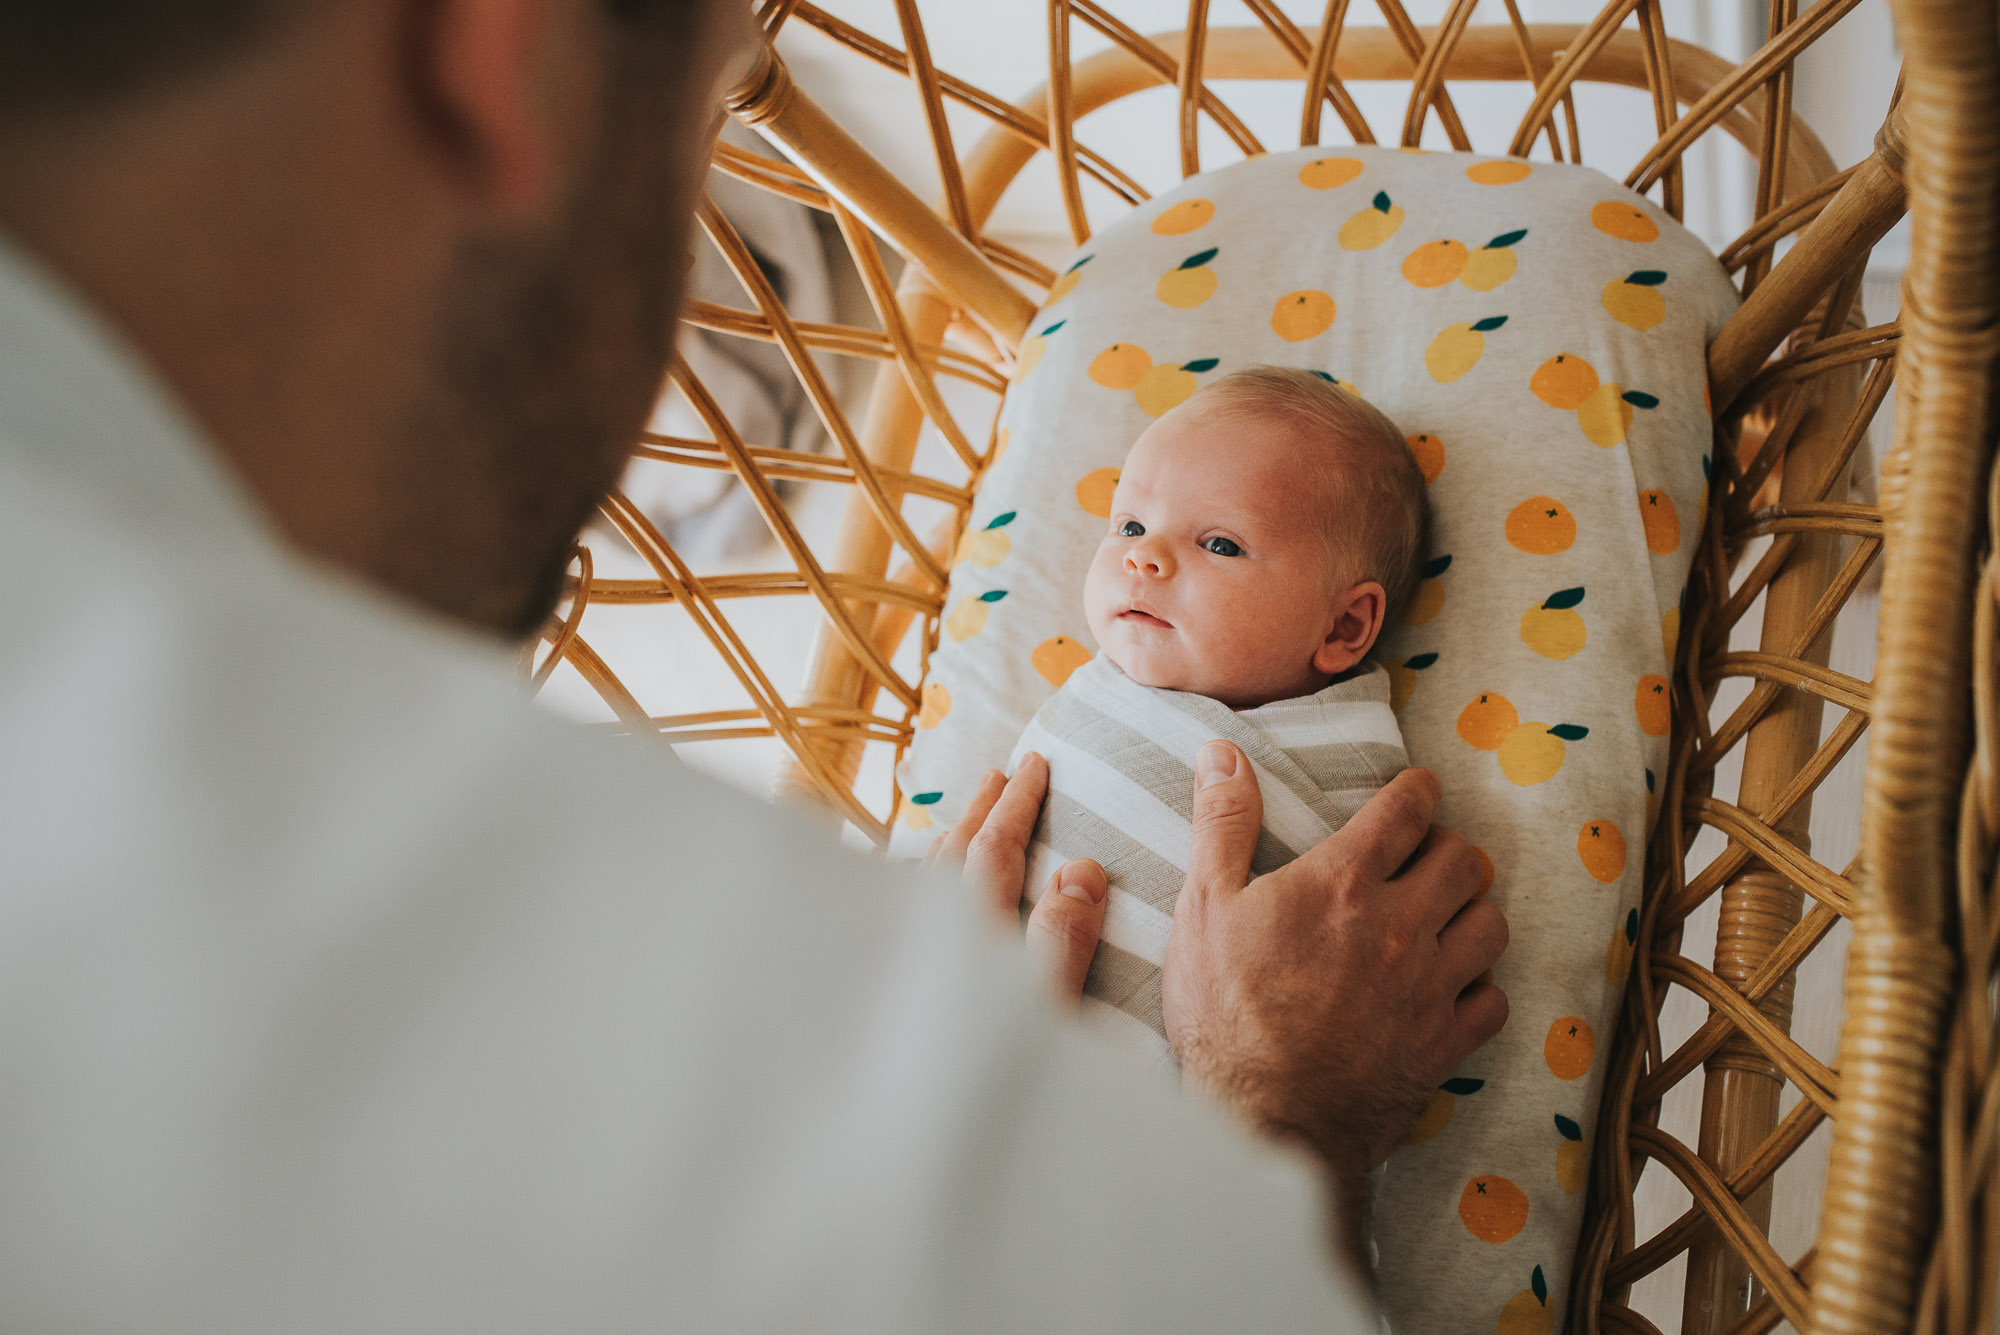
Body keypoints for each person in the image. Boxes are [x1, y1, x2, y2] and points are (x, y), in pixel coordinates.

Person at [0, 2, 1508, 1330]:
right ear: (494, 48)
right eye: (696, 130)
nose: (1145, 556)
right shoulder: (746, 1035)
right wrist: (1287, 1120)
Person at [1010, 367, 1427, 1063]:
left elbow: (1351, 933)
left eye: (1220, 544)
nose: (1142, 555)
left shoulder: (1349, 762)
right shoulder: (1101, 688)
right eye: (1132, 524)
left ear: (1345, 626)